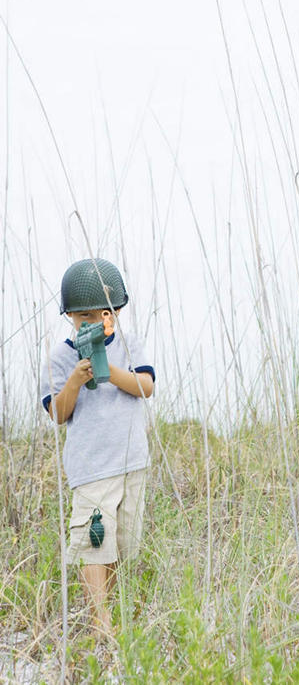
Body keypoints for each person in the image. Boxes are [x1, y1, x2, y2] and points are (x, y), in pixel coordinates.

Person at [40, 258, 155, 638]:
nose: (89, 323)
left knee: (122, 544)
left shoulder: (127, 344)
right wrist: (76, 377)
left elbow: (146, 386)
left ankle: (116, 613)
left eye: (99, 315)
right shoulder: (61, 356)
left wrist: (107, 371)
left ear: (115, 314)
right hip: (91, 469)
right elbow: (58, 412)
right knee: (94, 545)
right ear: (70, 317)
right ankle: (100, 625)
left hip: (131, 461)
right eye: (80, 317)